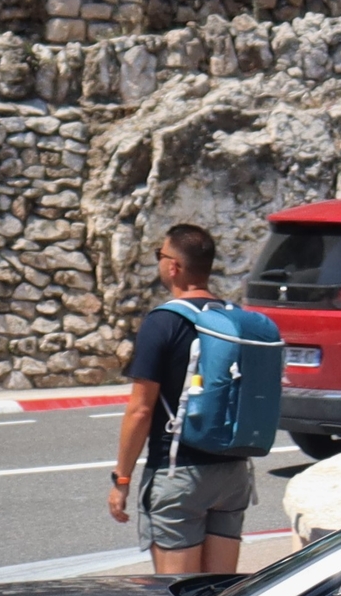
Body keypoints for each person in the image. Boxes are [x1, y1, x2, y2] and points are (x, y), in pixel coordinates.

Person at [107, 224, 255, 575]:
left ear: (173, 266)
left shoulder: (162, 323)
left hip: (179, 473)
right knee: (220, 592)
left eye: (160, 255)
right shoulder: (233, 319)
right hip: (233, 473)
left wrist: (122, 480)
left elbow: (141, 409)